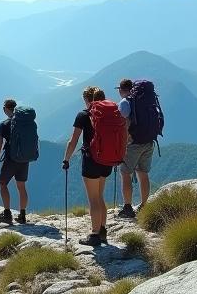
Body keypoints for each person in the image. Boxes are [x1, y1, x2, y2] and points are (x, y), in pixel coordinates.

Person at [62, 86, 115, 246]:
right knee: (100, 196)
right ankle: (103, 231)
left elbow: (73, 140)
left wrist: (66, 159)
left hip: (91, 160)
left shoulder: (84, 115)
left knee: (93, 199)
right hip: (108, 160)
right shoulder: (110, 114)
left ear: (87, 100)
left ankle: (94, 235)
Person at [116, 78, 154, 218]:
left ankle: (127, 207)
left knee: (126, 173)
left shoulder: (125, 103)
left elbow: (123, 124)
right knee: (143, 173)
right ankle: (144, 205)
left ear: (121, 90)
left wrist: (122, 144)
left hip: (132, 144)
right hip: (149, 142)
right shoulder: (146, 101)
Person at [0, 99, 28, 224]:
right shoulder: (25, 122)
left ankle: (7, 213)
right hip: (24, 158)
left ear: (5, 109)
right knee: (21, 186)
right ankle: (22, 215)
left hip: (11, 159)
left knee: (2, 183)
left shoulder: (4, 124)